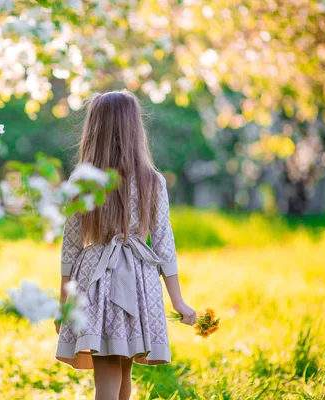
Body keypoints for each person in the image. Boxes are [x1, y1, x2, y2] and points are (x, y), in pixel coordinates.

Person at [54, 89, 197, 400]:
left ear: (94, 130)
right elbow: (164, 244)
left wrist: (65, 302)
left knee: (111, 372)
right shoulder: (151, 179)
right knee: (122, 370)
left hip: (96, 282)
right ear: (136, 129)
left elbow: (71, 248)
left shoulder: (82, 180)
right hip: (139, 278)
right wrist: (178, 301)